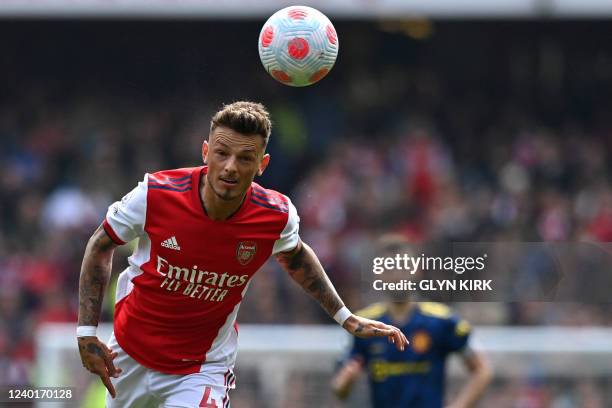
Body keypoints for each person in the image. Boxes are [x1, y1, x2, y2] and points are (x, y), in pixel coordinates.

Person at [76, 101, 409, 407]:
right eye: (222, 153)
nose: (230, 167)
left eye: (245, 158)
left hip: (200, 368)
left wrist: (345, 317)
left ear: (262, 164)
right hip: (129, 354)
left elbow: (295, 256)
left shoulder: (275, 215)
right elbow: (101, 244)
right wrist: (86, 333)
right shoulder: (155, 195)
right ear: (206, 152)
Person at [331, 235, 492, 408]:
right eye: (389, 268)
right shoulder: (365, 324)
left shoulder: (441, 320)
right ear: (379, 274)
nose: (397, 275)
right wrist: (346, 381)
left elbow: (482, 370)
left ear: (417, 270)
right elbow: (339, 389)